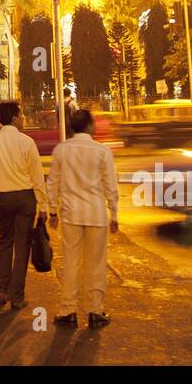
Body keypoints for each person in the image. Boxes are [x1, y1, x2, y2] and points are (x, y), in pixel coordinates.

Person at [48, 108, 118, 329]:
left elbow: (53, 182)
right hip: (96, 214)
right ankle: (95, 311)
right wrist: (114, 213)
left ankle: (67, 310)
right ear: (89, 126)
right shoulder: (102, 151)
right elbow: (110, 185)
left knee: (70, 262)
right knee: (96, 263)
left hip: (71, 214)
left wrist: (52, 210)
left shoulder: (62, 150)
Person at [0, 101, 47, 311]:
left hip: (2, 198)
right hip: (25, 198)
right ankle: (17, 296)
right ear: (14, 118)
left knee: (4, 242)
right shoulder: (26, 142)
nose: (23, 119)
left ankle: (2, 290)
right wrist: (43, 204)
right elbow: (37, 176)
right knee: (22, 247)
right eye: (20, 115)